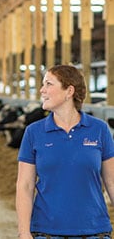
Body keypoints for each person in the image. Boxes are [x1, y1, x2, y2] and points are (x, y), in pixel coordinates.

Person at [16, 65, 114, 239]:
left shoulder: (99, 129)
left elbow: (112, 182)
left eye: (48, 84)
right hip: (46, 232)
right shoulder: (33, 132)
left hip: (94, 231)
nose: (41, 90)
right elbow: (25, 186)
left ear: (69, 91)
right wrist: (24, 232)